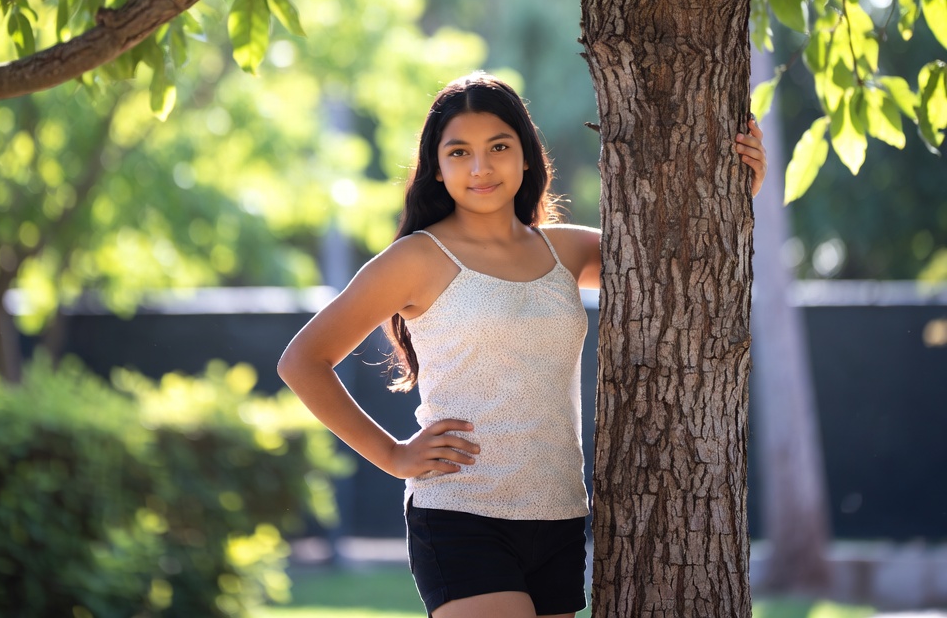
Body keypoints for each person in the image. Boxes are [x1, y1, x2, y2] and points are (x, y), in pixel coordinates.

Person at [278, 72, 767, 618]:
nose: (481, 168)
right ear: (436, 169)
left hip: (558, 516)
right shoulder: (416, 258)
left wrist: (736, 191)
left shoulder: (566, 251)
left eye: (499, 147)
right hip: (462, 515)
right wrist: (394, 455)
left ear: (527, 157)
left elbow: (676, 257)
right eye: (459, 152)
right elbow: (303, 361)